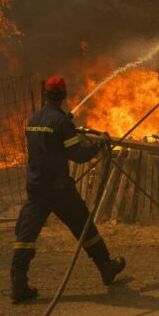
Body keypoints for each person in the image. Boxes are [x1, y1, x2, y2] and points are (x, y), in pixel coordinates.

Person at [10, 77, 125, 303]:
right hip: (59, 189)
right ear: (63, 96)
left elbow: (47, 141)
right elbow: (78, 155)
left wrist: (65, 125)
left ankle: (18, 283)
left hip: (36, 187)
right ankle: (106, 267)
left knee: (26, 235)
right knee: (84, 226)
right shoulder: (60, 122)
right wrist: (99, 144)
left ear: (45, 94)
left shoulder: (33, 119)